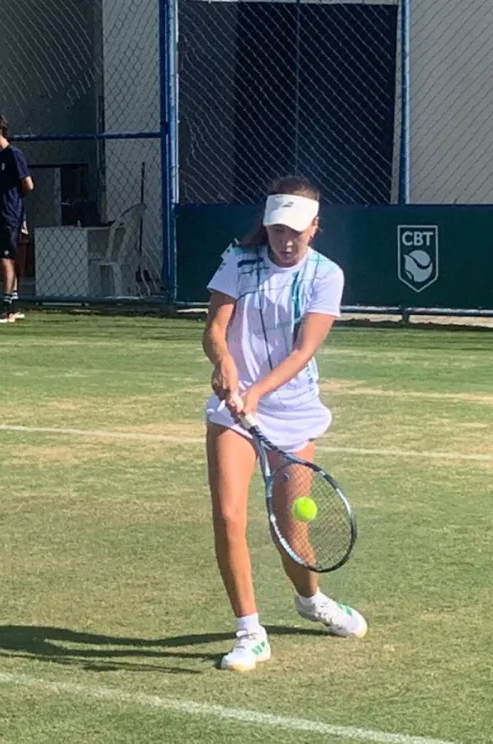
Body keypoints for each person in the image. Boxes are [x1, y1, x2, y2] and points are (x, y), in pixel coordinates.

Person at [202, 176, 367, 672]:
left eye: (296, 230)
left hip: (291, 410)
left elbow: (304, 351)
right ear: (267, 226)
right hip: (231, 411)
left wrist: (255, 391)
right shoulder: (238, 260)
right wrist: (224, 366)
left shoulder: (325, 275)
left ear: (315, 227)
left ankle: (311, 599)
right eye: (277, 230)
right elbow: (214, 328)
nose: (286, 240)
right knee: (229, 515)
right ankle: (250, 631)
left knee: (291, 531)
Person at [0, 113, 33, 323]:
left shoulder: (14, 154)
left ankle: (8, 307)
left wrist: (14, 202)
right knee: (2, 258)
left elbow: (28, 184)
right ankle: (12, 301)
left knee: (7, 258)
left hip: (10, 215)